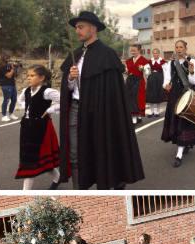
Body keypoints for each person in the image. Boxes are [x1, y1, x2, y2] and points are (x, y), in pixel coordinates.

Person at [59, 10, 144, 189]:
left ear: (93, 28)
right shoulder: (75, 55)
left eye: (81, 27)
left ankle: (106, 184)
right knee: (75, 153)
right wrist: (70, 78)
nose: (77, 31)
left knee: (101, 150)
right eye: (76, 28)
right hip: (76, 110)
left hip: (100, 112)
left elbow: (114, 93)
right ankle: (79, 189)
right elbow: (67, 90)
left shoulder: (107, 55)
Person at [14, 65, 61, 190]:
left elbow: (64, 100)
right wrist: (27, 107)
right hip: (26, 129)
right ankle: (58, 178)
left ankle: (25, 192)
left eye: (32, 75)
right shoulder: (26, 91)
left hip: (40, 129)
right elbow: (20, 100)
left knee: (31, 161)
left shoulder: (47, 92)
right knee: (29, 159)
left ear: (41, 78)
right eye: (28, 75)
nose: (29, 78)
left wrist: (50, 109)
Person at [160, 40, 195, 168]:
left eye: (181, 47)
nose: (179, 49)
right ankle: (184, 145)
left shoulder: (191, 61)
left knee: (184, 122)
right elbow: (166, 80)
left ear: (185, 48)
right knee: (176, 122)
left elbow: (194, 81)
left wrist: (192, 71)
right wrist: (165, 86)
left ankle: (179, 154)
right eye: (177, 47)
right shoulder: (170, 63)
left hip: (186, 94)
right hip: (174, 96)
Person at [125, 44, 150, 125]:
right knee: (129, 98)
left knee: (137, 99)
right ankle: (136, 117)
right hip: (130, 81)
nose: (132, 52)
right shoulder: (128, 61)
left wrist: (143, 69)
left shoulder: (144, 60)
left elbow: (148, 72)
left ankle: (135, 118)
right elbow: (127, 71)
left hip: (139, 81)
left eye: (134, 50)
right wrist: (125, 71)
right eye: (131, 50)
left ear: (139, 50)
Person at [146, 48, 167, 118]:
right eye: (154, 53)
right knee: (151, 95)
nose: (155, 54)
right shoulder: (149, 61)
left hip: (159, 79)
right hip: (151, 79)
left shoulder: (162, 61)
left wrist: (165, 81)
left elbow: (165, 72)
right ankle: (151, 112)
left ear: (159, 54)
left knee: (157, 95)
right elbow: (147, 71)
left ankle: (157, 111)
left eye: (156, 53)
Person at [0, 54, 19, 122]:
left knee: (14, 99)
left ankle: (11, 113)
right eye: (8, 59)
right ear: (4, 59)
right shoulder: (1, 67)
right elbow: (9, 76)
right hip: (6, 85)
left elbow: (15, 75)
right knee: (6, 100)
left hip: (12, 84)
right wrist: (12, 69)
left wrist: (16, 68)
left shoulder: (9, 66)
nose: (9, 60)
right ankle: (4, 115)